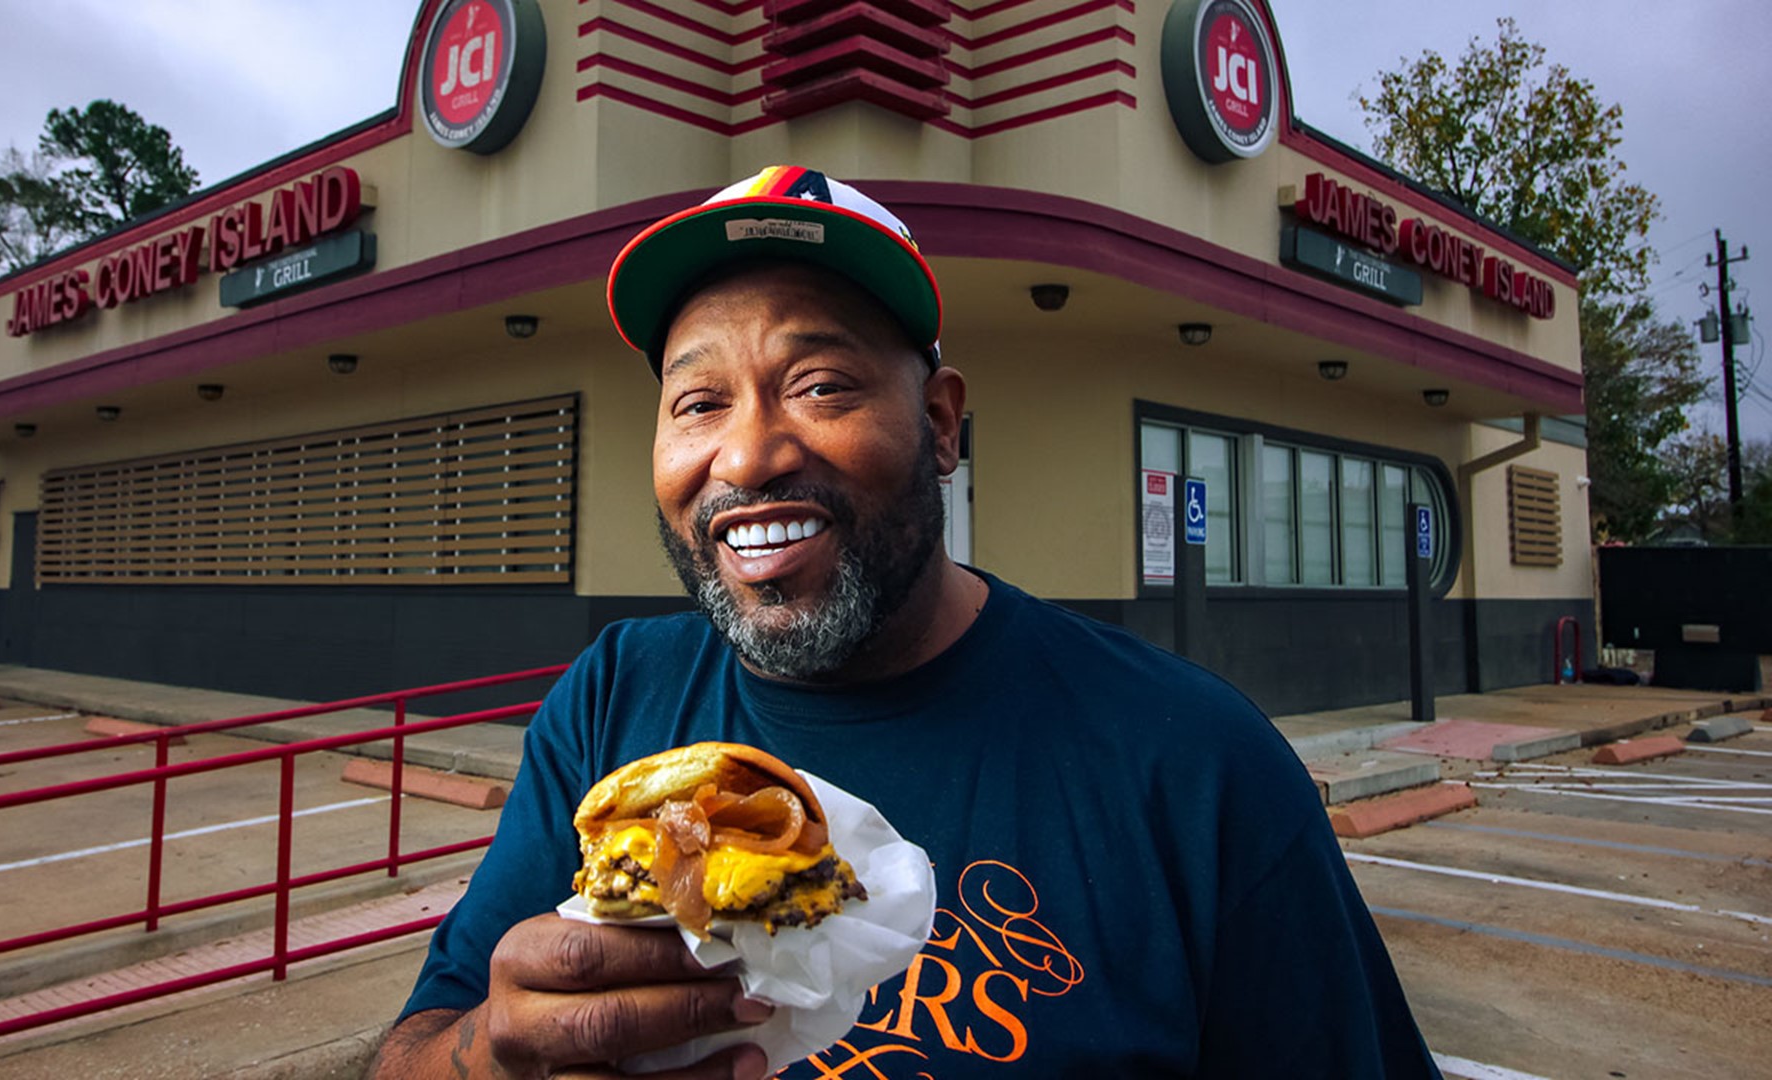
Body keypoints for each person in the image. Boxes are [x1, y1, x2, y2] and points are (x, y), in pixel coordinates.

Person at [370, 166, 1443, 1078]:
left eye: (821, 384)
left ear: (939, 424)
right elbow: (420, 1041)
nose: (746, 458)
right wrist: (481, 1055)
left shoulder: (1192, 762)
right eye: (698, 403)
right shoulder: (613, 704)